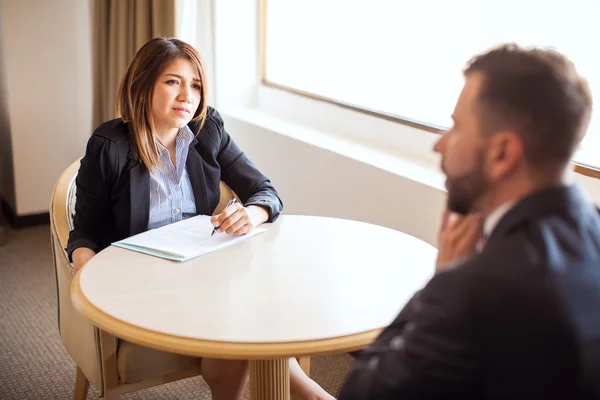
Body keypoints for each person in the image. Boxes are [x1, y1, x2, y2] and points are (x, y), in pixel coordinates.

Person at [67, 37, 334, 400]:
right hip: (143, 283)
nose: (186, 96)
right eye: (172, 81)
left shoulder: (208, 130)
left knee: (250, 307)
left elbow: (265, 192)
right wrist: (89, 273)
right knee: (249, 317)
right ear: (143, 85)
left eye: (195, 85)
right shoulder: (109, 145)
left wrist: (251, 215)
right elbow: (84, 232)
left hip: (205, 274)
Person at [339, 44, 600, 399]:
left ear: (502, 153)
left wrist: (441, 281)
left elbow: (360, 392)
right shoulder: (593, 228)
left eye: (456, 127)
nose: (439, 146)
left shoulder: (472, 290)